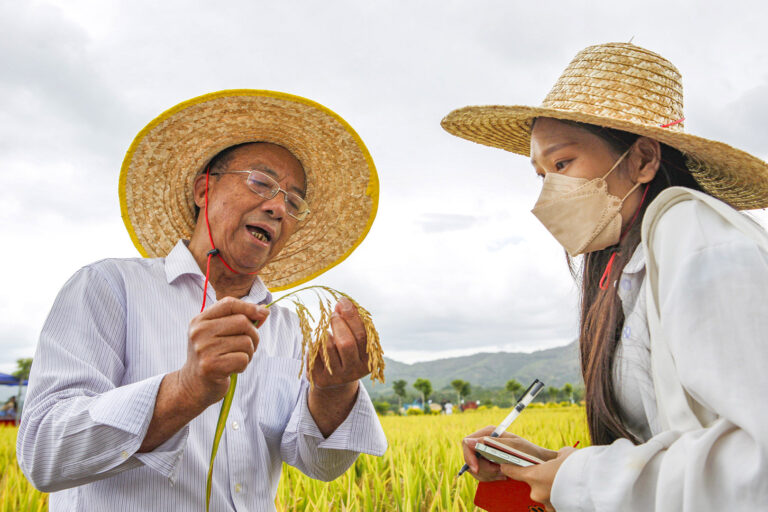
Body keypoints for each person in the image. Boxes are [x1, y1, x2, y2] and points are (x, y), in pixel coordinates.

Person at [17, 90, 387, 511]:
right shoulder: (108, 287)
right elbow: (43, 453)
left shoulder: (291, 327)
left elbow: (321, 464)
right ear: (202, 190)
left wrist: (335, 389)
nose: (278, 208)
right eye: (262, 182)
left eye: (294, 201)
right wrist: (187, 388)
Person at [442, 43, 768, 510]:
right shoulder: (635, 263)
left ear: (642, 159)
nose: (550, 191)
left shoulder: (697, 239)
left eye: (562, 164)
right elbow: (669, 441)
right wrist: (553, 465)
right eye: (541, 175)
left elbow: (757, 464)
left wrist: (579, 478)